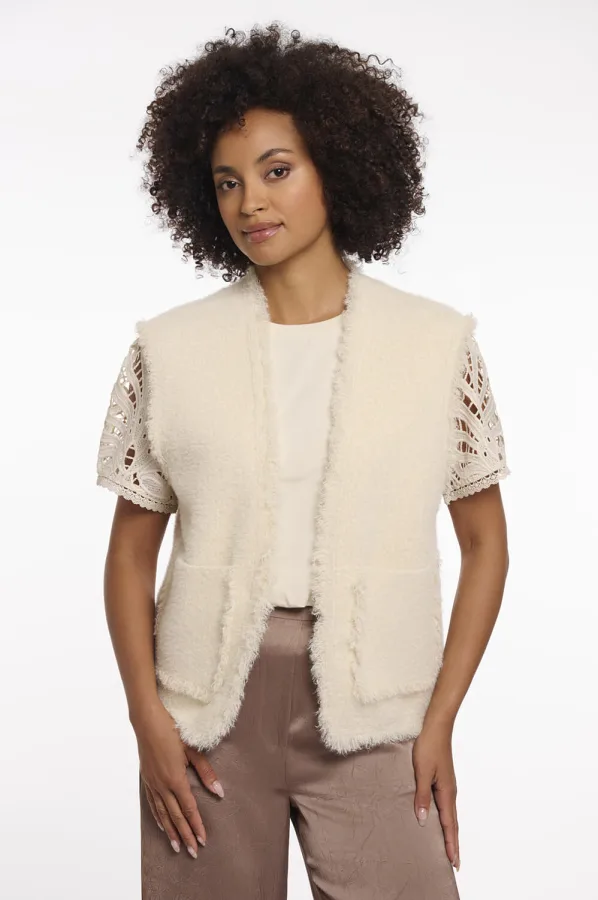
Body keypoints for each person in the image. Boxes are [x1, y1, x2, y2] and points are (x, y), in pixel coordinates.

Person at [96, 22, 510, 899]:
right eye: (228, 182)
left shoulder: (435, 346)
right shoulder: (170, 352)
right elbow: (131, 554)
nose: (251, 201)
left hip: (376, 708)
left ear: (336, 166)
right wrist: (147, 722)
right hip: (207, 711)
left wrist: (439, 720)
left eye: (277, 170)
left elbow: (486, 546)